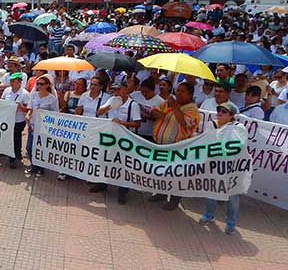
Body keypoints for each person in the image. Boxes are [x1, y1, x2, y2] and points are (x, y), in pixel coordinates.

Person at [149, 82, 201, 210]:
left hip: (178, 149)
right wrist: (162, 115)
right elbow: (153, 111)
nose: (178, 93)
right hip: (161, 145)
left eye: (183, 91)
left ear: (190, 95)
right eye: (178, 90)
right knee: (161, 171)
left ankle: (174, 200)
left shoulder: (192, 110)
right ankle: (161, 193)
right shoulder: (167, 103)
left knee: (175, 175)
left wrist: (174, 106)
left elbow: (183, 122)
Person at [90, 80, 141, 204]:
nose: (116, 92)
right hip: (110, 136)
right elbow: (99, 112)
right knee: (105, 159)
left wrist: (122, 123)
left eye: (119, 89)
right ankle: (102, 183)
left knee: (123, 165)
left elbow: (137, 123)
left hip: (125, 139)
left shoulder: (133, 105)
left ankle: (122, 191)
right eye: (114, 90)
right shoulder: (112, 100)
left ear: (125, 89)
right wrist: (106, 108)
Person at [198, 101, 244, 234]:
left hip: (233, 168)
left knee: (232, 197)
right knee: (211, 190)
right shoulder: (211, 124)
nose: (219, 113)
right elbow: (206, 142)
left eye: (224, 112)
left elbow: (239, 145)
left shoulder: (239, 127)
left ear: (231, 115)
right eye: (219, 110)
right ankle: (208, 214)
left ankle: (231, 223)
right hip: (214, 165)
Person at [24, 74, 58, 178]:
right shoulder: (33, 95)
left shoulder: (52, 98)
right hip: (33, 125)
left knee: (41, 148)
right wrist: (28, 115)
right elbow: (30, 108)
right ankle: (33, 165)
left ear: (48, 85)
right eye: (37, 84)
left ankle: (40, 168)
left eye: (41, 84)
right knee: (29, 147)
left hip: (44, 127)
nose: (39, 86)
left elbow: (55, 113)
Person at [0, 72, 29, 169]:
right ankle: (9, 154)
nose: (11, 82)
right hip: (7, 119)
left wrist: (20, 107)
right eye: (11, 80)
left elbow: (28, 109)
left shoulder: (25, 94)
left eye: (14, 80)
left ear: (19, 81)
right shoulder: (7, 90)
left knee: (16, 138)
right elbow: (2, 101)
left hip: (18, 120)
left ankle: (15, 156)